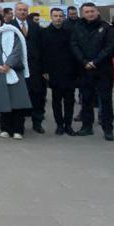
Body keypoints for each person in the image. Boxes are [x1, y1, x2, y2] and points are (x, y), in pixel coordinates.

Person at [71, 3, 114, 141]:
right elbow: (74, 44)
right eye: (87, 12)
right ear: (82, 13)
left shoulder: (106, 27)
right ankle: (86, 126)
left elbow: (110, 46)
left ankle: (108, 129)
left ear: (97, 12)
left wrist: (95, 61)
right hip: (84, 69)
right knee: (86, 99)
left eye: (92, 11)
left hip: (103, 69)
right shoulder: (78, 27)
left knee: (106, 100)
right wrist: (84, 61)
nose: (90, 14)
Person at [0, 13, 31, 139]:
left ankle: (18, 130)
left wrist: (8, 65)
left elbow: (17, 50)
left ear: (2, 21)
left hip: (14, 71)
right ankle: (5, 128)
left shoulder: (12, 32)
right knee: (3, 101)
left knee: (17, 102)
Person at [40, 8, 78, 136]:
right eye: (55, 16)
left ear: (64, 17)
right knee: (56, 100)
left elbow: (74, 51)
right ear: (51, 17)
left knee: (69, 100)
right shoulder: (45, 33)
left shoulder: (70, 32)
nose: (58, 18)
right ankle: (59, 125)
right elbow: (43, 53)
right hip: (54, 72)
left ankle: (68, 125)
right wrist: (44, 70)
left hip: (69, 71)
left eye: (60, 16)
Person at [10, 2, 45, 134]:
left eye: (25, 10)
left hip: (34, 67)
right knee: (18, 96)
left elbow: (42, 48)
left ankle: (37, 122)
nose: (22, 12)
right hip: (16, 67)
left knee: (36, 95)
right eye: (20, 10)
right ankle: (18, 124)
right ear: (15, 11)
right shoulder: (9, 26)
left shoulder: (35, 27)